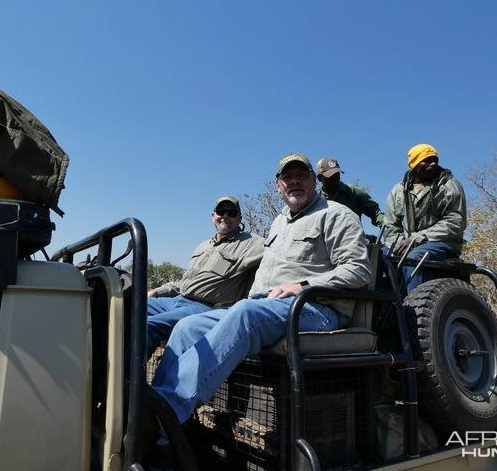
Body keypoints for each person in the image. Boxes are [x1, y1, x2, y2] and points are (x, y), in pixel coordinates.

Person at [152, 153, 371, 425]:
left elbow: (358, 270)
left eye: (301, 176)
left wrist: (302, 286)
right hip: (265, 307)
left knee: (246, 312)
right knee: (187, 327)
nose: (294, 182)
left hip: (314, 308)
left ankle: (163, 415)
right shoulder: (279, 222)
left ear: (314, 180)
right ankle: (153, 407)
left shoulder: (336, 215)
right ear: (278, 185)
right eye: (287, 177)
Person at [145, 196, 264, 355]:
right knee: (125, 309)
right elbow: (186, 282)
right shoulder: (203, 246)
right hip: (176, 300)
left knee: (147, 325)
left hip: (204, 308)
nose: (225, 216)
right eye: (221, 211)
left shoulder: (251, 243)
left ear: (239, 218)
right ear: (213, 215)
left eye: (232, 212)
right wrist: (157, 291)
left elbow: (279, 250)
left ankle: (126, 378)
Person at [383, 144, 466, 292]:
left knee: (415, 257)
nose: (433, 164)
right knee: (377, 255)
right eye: (427, 160)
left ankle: (415, 310)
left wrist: (419, 237)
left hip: (441, 243)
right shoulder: (398, 191)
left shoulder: (449, 185)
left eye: (435, 160)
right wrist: (396, 244)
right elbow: (391, 225)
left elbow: (455, 222)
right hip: (406, 243)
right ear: (414, 164)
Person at [316, 157, 385, 227]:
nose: (335, 177)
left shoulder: (354, 192)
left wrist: (387, 228)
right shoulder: (315, 200)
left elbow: (376, 214)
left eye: (336, 174)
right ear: (319, 178)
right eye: (330, 175)